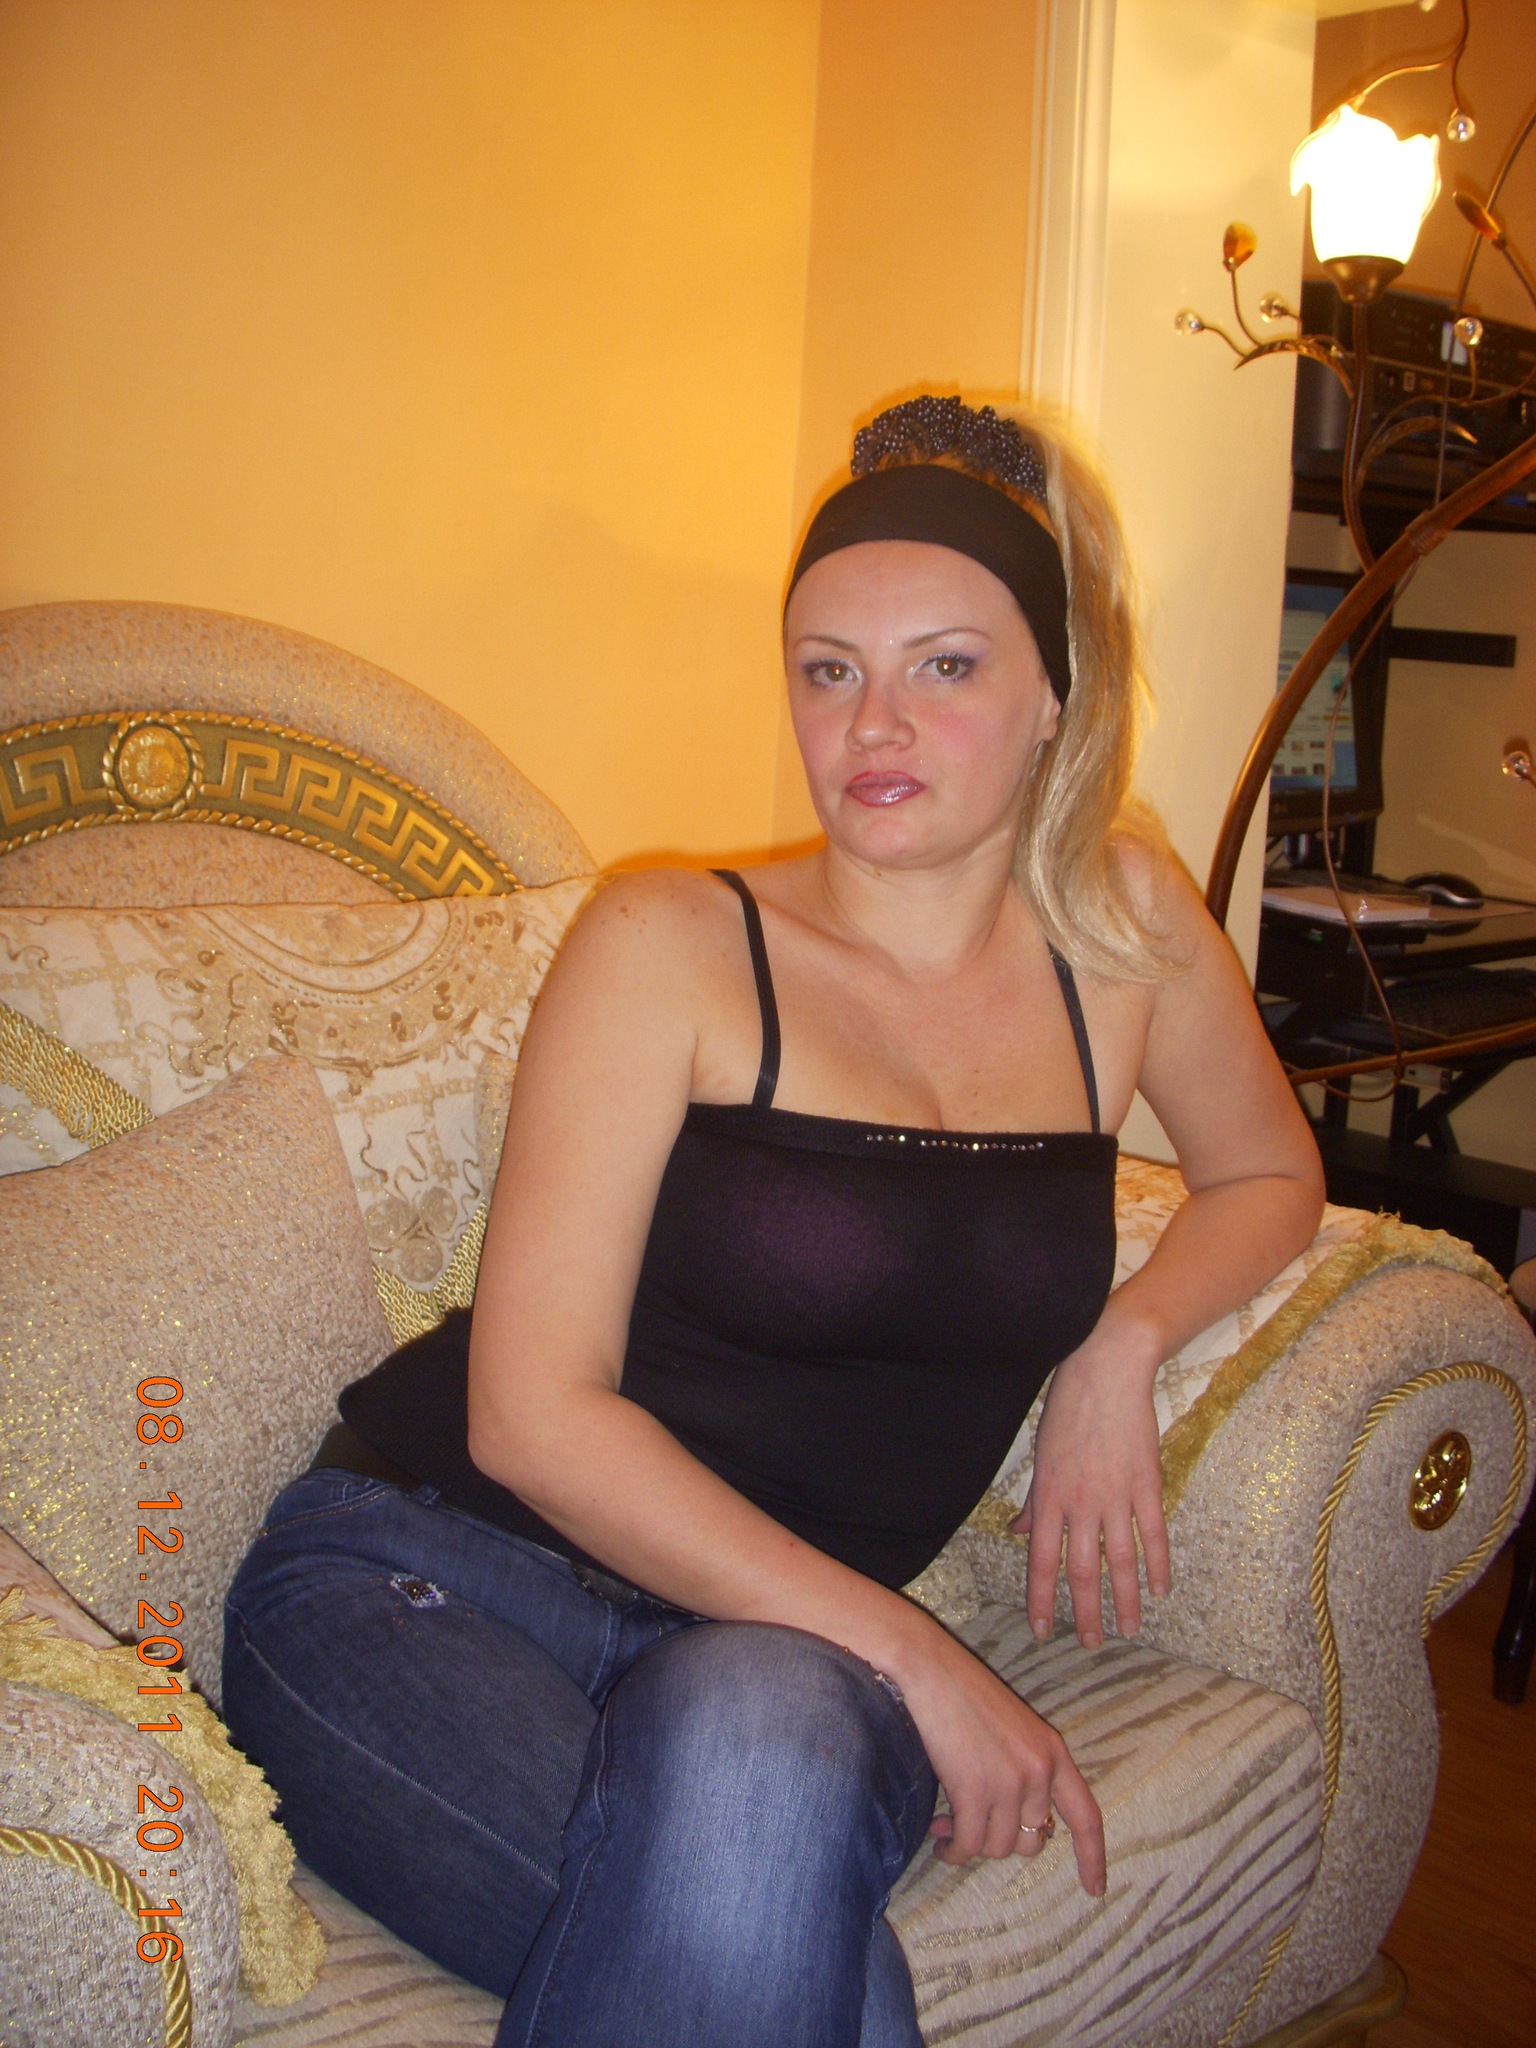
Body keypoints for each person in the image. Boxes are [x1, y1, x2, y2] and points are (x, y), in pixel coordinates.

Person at [222, 394, 1324, 2048]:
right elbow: (529, 1416)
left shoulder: (1124, 935)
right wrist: (926, 1663)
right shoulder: (668, 941)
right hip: (427, 1578)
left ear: (1054, 695)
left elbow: (1269, 1176)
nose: (874, 723)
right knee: (821, 1991)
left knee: (757, 1790)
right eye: (828, 669)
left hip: (773, 1666)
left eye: (945, 666)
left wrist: (1122, 1342)